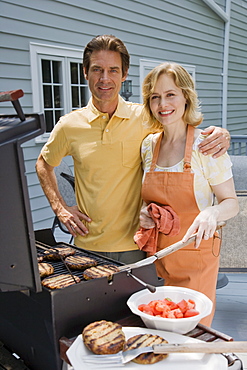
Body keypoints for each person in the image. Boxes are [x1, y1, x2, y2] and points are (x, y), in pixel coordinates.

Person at [36, 34, 231, 265]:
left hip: (136, 246)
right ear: (85, 73)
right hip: (86, 245)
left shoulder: (146, 117)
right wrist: (60, 208)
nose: (105, 78)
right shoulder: (69, 126)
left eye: (113, 70)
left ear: (124, 74)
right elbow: (43, 164)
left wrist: (221, 133)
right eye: (97, 69)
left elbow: (181, 125)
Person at [136, 62, 239, 326]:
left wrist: (212, 212)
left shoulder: (206, 144)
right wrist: (144, 213)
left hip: (197, 258)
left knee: (194, 332)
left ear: (186, 96)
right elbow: (146, 199)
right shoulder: (148, 145)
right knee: (160, 329)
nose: (163, 104)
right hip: (158, 259)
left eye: (170, 94)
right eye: (155, 97)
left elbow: (231, 204)